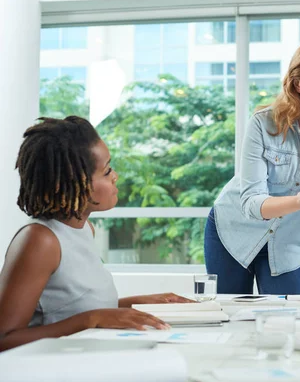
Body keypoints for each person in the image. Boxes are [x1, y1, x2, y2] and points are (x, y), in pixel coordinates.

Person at [0, 116, 194, 351]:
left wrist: (136, 304)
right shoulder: (40, 240)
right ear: (72, 182)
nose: (115, 176)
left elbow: (73, 309)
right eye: (106, 170)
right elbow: (5, 339)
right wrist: (90, 320)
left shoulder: (84, 229)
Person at [204, 39, 300, 295]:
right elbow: (251, 203)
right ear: (298, 83)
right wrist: (297, 202)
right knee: (231, 315)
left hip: (289, 243)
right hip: (233, 233)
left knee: (287, 321)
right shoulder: (263, 124)